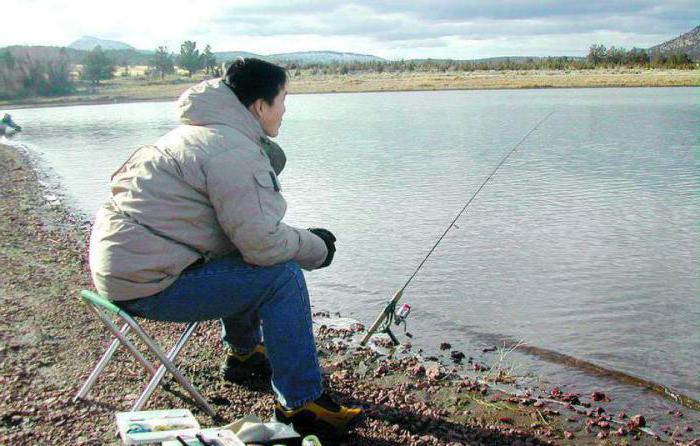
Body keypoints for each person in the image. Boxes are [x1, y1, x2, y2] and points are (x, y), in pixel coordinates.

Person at [88, 58, 364, 434]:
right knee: (281, 275)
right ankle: (303, 406)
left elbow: (247, 236)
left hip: (123, 274)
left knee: (245, 254)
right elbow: (263, 245)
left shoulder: (195, 134)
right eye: (283, 98)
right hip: (149, 286)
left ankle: (245, 354)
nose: (285, 109)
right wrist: (317, 248)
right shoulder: (230, 148)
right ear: (259, 106)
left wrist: (297, 238)